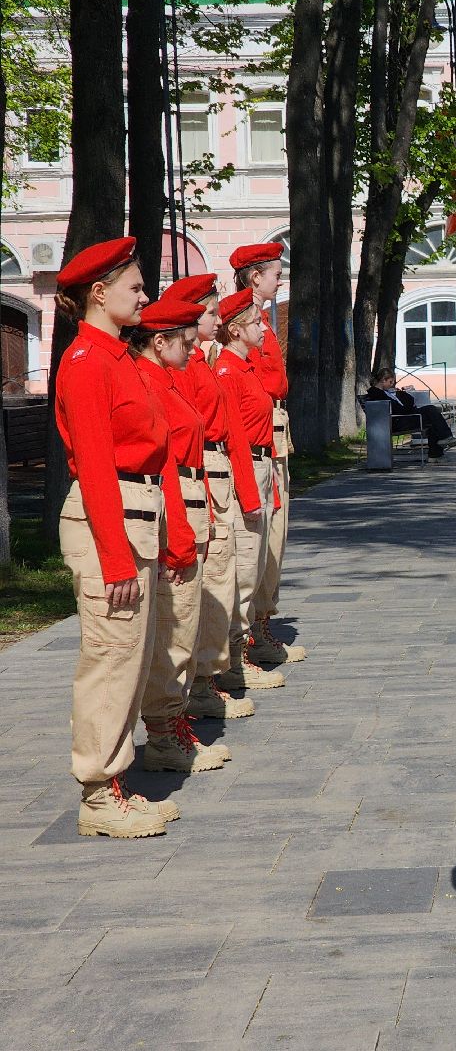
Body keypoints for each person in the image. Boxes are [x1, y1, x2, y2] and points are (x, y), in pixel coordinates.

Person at [52, 236, 180, 837]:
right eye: (134, 286)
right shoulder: (86, 363)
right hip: (112, 520)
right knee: (110, 657)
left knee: (127, 657)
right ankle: (101, 795)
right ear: (98, 293)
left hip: (135, 511)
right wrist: (116, 561)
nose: (145, 295)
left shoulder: (116, 356)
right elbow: (98, 465)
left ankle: (115, 783)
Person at [129, 296, 229, 774]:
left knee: (182, 623)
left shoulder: (164, 377)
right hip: (169, 509)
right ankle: (165, 734)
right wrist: (180, 531)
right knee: (173, 627)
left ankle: (173, 723)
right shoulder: (148, 379)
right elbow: (163, 458)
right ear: (160, 340)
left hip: (183, 501)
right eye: (184, 341)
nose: (193, 348)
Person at [163, 273, 262, 720]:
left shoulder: (203, 362)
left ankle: (213, 674)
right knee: (207, 589)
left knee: (222, 581)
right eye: (208, 311)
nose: (217, 317)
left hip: (212, 474)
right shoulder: (188, 365)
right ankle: (201, 685)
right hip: (200, 477)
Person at [230, 242, 305, 666]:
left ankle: (260, 624)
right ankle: (250, 634)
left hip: (272, 433)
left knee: (273, 540)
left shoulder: (262, 322)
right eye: (276, 273)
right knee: (260, 540)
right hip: (258, 436)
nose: (281, 279)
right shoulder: (242, 323)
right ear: (255, 276)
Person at [212, 289, 286, 693]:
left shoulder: (245, 367)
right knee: (242, 572)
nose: (263, 328)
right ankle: (234, 662)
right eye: (256, 322)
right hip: (247, 471)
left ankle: (242, 652)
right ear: (237, 329)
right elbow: (235, 437)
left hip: (261, 465)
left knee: (255, 567)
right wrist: (250, 494)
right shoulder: (227, 371)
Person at [364, 367, 456, 457]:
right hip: (396, 421)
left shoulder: (388, 392)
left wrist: (403, 393)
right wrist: (403, 399)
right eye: (390, 382)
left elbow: (409, 402)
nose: (392, 384)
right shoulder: (376, 393)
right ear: (383, 380)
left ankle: (436, 453)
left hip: (403, 417)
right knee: (431, 411)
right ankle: (445, 438)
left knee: (432, 417)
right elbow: (398, 408)